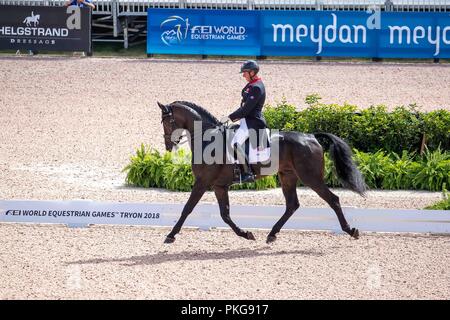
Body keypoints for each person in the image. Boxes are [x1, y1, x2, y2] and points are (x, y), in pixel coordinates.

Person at [220, 60, 267, 183]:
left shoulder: (257, 87)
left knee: (235, 143)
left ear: (252, 72)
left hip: (253, 122)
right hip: (246, 120)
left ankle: (247, 173)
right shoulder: (251, 84)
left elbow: (246, 109)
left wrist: (229, 117)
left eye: (245, 72)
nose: (243, 75)